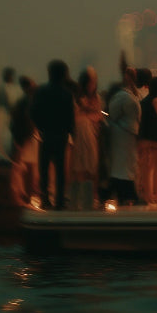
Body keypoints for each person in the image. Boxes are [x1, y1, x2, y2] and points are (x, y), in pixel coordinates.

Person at [30, 59, 75, 210]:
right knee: (60, 170)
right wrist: (70, 132)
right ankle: (60, 202)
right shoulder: (67, 94)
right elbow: (70, 117)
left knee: (44, 168)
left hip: (46, 134)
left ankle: (45, 199)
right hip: (61, 135)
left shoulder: (41, 91)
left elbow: (33, 112)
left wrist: (41, 128)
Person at [69, 67, 103, 209]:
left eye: (94, 82)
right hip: (79, 136)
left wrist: (88, 114)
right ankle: (75, 202)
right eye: (90, 81)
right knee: (78, 169)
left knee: (90, 168)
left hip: (91, 136)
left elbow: (99, 116)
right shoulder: (76, 97)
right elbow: (75, 117)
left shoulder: (97, 98)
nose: (92, 85)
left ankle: (88, 203)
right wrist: (89, 115)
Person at [107, 63, 141, 205]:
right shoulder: (126, 96)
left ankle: (124, 194)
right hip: (124, 134)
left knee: (125, 166)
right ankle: (125, 194)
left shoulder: (126, 95)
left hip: (126, 134)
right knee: (124, 166)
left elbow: (113, 113)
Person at [137, 76, 157, 206]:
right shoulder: (156, 100)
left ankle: (148, 195)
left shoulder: (144, 101)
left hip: (144, 138)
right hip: (155, 139)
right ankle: (155, 195)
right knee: (156, 169)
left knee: (146, 169)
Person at [9, 76, 38, 205]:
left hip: (25, 137)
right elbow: (24, 122)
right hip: (26, 137)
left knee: (23, 167)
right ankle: (21, 196)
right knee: (22, 167)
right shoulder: (27, 102)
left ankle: (23, 196)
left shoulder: (23, 101)